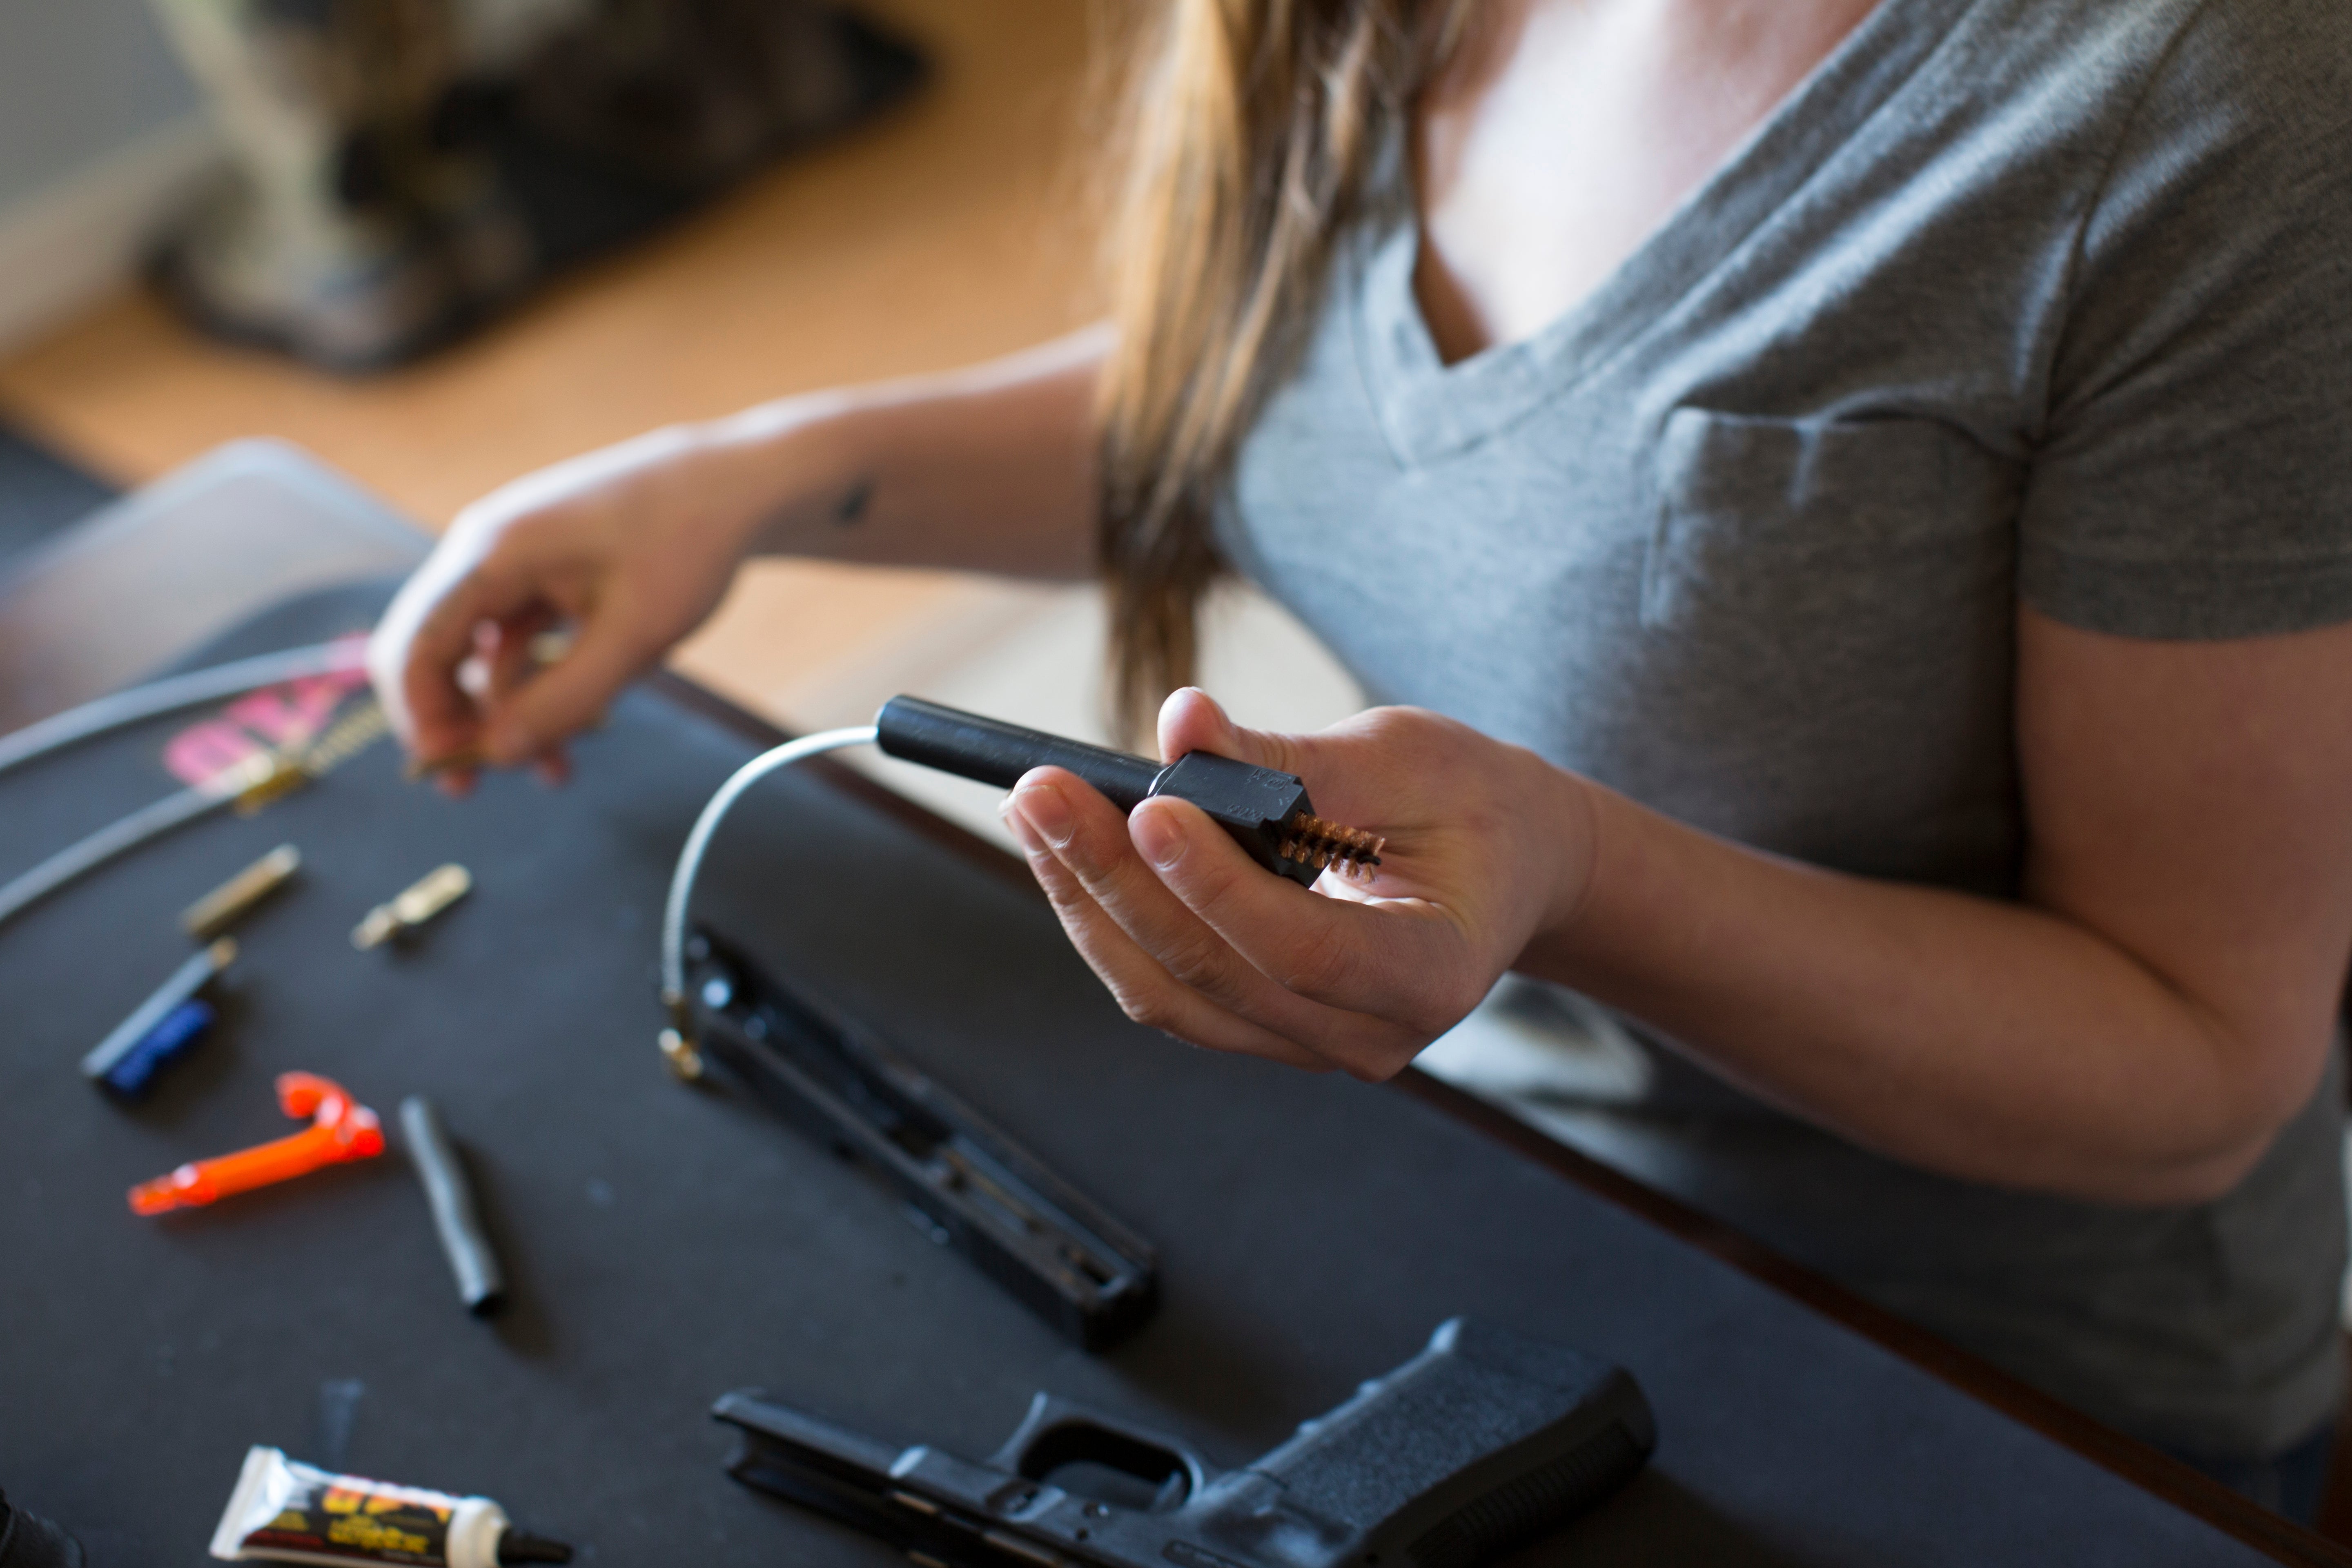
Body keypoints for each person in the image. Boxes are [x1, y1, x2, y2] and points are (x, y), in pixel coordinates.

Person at [370, 0, 2352, 1522]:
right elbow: (1309, 405)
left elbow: (2194, 1068)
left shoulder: (2222, 117)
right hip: (1491, 1199)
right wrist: (765, 474)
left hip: (1978, 1390)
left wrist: (1572, 876)